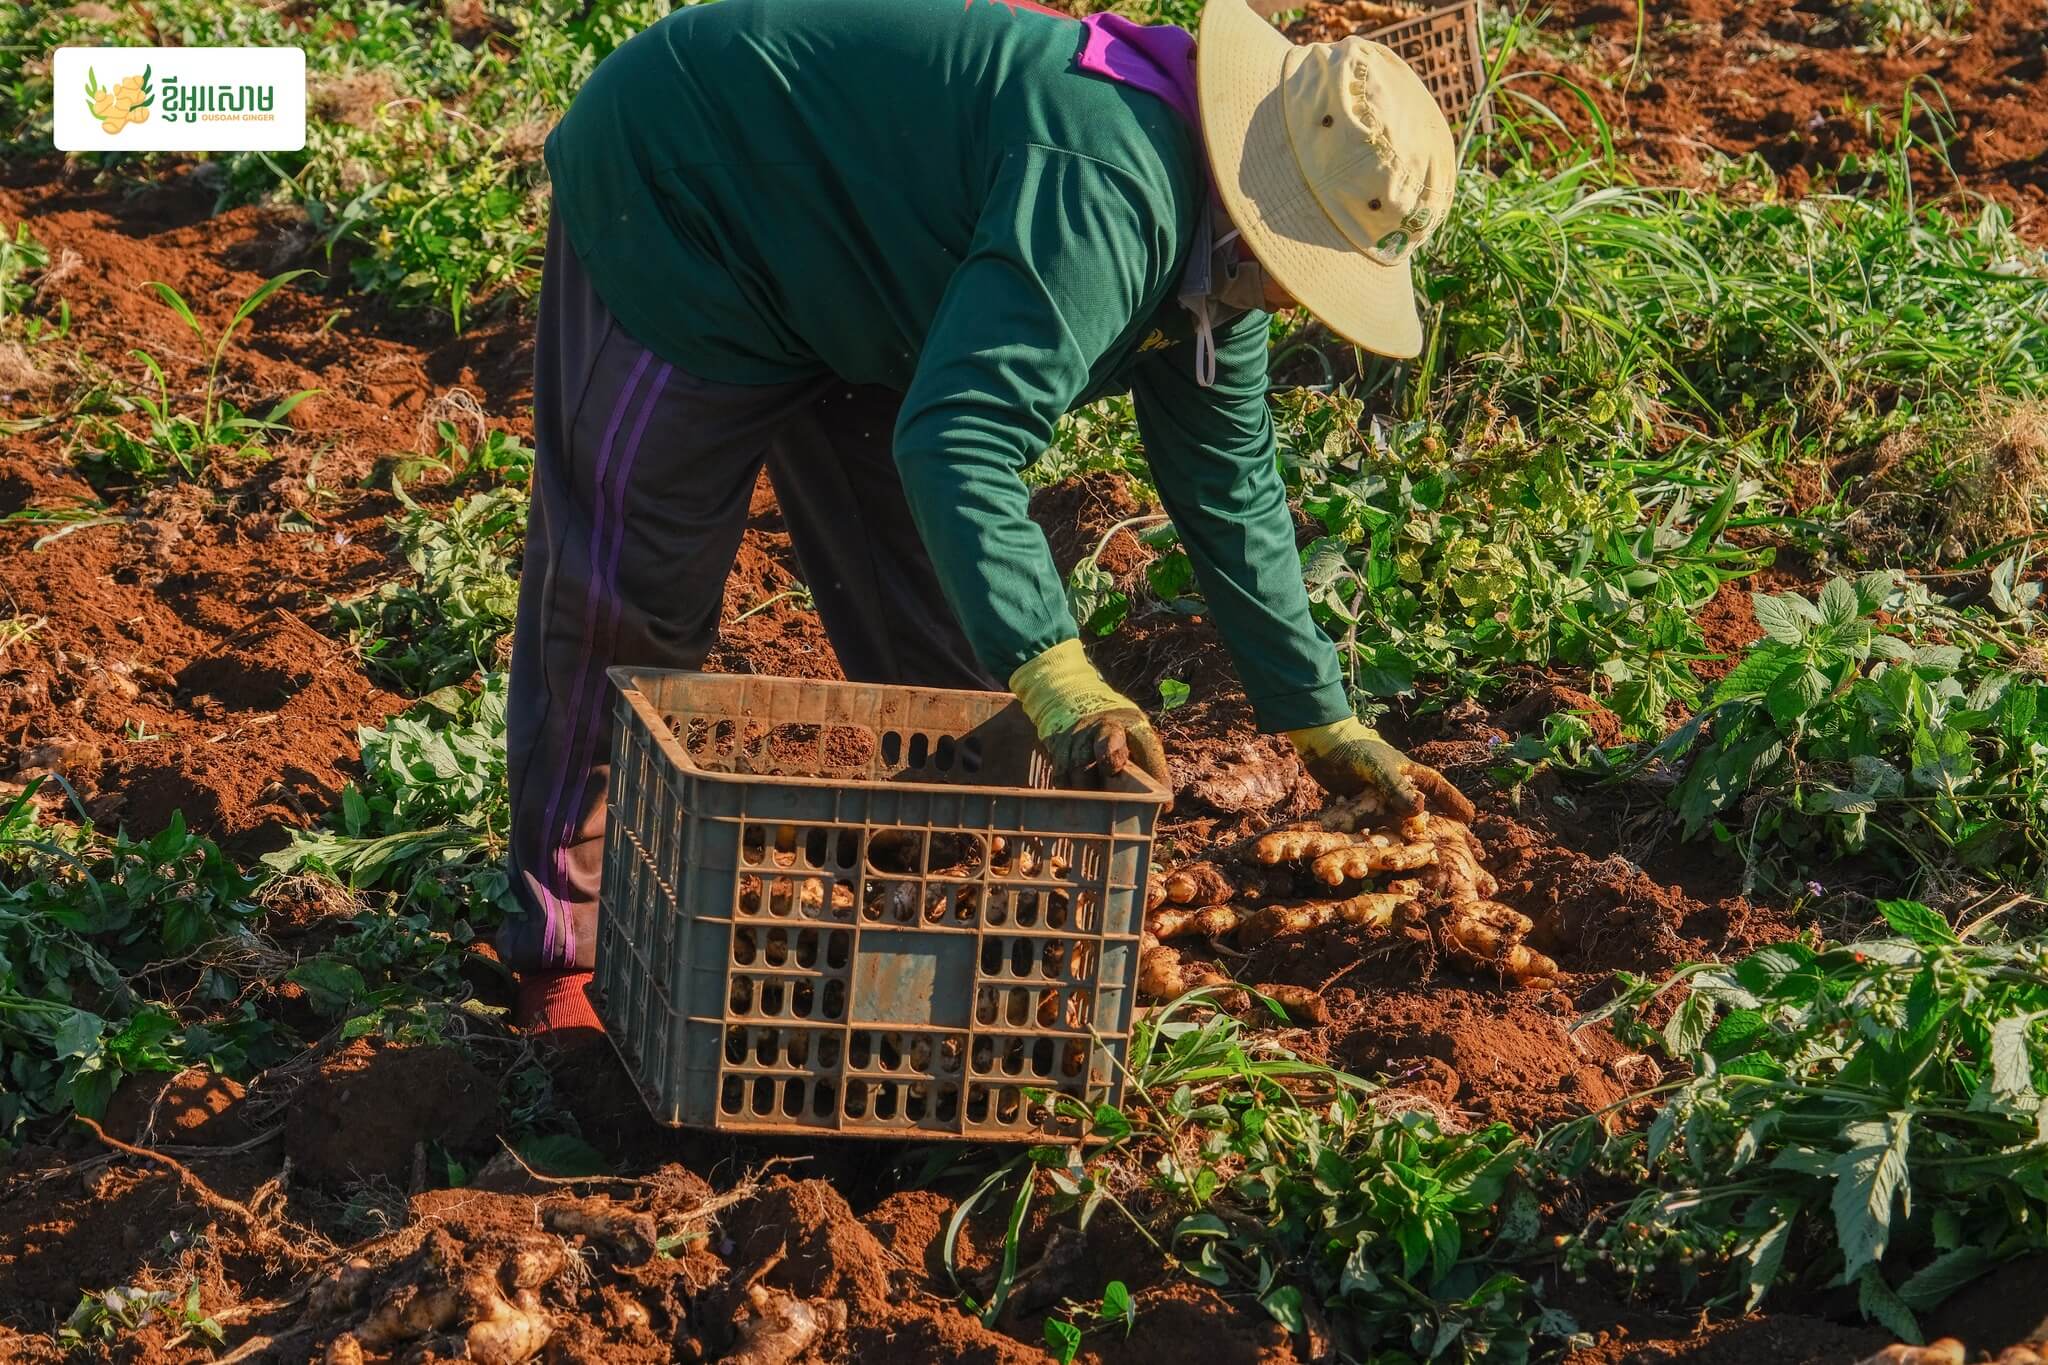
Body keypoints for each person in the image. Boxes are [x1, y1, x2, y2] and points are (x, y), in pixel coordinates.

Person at [505, 0, 1472, 1035]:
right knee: (630, 599)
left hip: (873, 274)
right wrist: (1060, 672)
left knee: (948, 658)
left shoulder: (1217, 274)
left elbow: (1229, 479)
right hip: (695, 188)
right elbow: (962, 438)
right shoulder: (1112, 185)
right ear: (1257, 204)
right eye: (1307, 262)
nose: (1294, 301)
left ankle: (919, 931)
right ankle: (567, 952)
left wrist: (1313, 711)